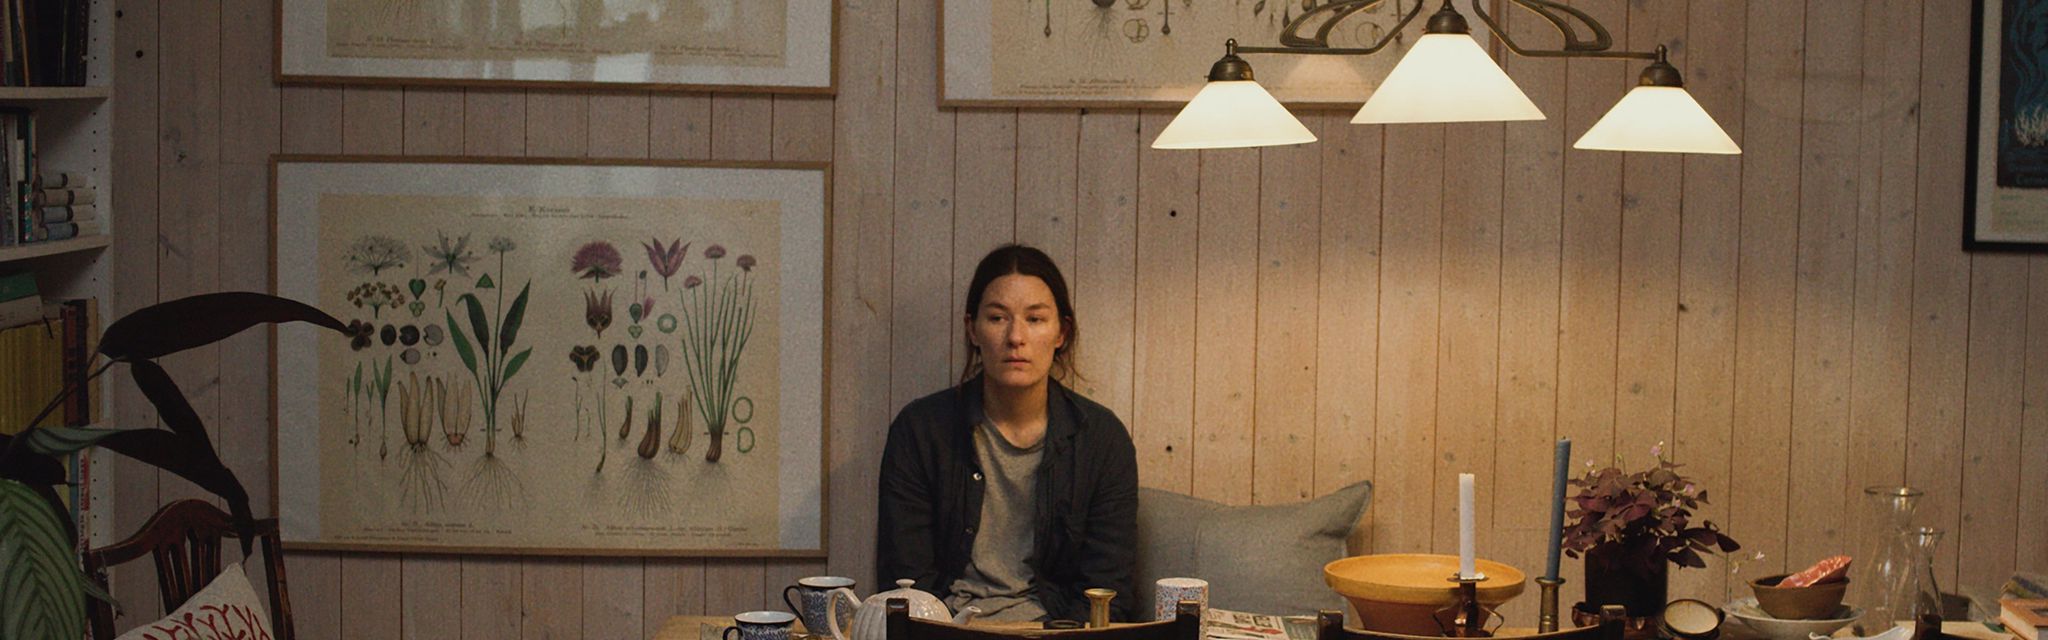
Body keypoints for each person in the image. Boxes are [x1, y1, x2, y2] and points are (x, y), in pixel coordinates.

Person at [876, 244, 1140, 623]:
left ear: (1061, 332)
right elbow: (904, 580)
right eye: (998, 318)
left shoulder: (1101, 440)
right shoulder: (920, 431)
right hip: (949, 630)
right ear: (973, 329)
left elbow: (1107, 590)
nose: (1016, 337)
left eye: (1035, 319)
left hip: (1055, 631)